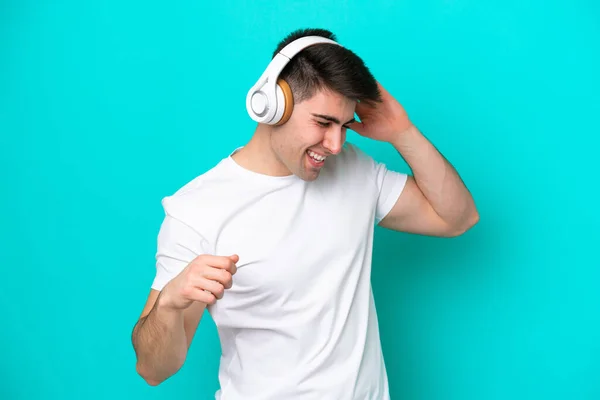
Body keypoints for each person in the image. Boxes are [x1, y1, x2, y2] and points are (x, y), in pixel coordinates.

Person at [131, 28, 479, 399]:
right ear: (271, 104)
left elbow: (456, 218)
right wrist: (169, 302)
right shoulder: (197, 210)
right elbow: (153, 370)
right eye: (323, 122)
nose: (335, 144)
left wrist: (402, 132)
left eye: (344, 126)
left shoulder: (353, 169)